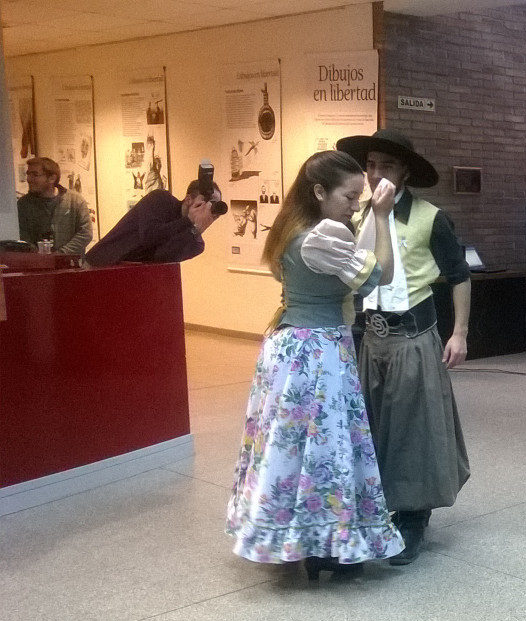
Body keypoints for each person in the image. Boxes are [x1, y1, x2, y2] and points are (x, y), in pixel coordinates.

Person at [226, 150, 404, 580]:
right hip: (316, 354)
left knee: (291, 445)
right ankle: (324, 543)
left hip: (292, 348)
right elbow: (382, 274)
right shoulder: (321, 238)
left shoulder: (293, 229)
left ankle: (302, 536)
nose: (356, 204)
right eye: (349, 195)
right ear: (319, 192)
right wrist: (381, 217)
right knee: (325, 446)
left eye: (360, 197)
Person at [337, 128, 472, 566]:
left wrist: (460, 333)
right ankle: (377, 507)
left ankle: (413, 517)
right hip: (369, 339)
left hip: (413, 336)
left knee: (414, 429)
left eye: (387, 166)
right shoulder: (359, 217)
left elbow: (459, 276)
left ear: (405, 173)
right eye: (371, 165)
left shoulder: (430, 218)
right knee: (374, 426)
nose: (376, 174)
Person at [84, 179, 222, 266]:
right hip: (100, 265)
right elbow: (150, 236)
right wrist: (188, 220)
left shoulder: (196, 244)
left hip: (128, 278)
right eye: (207, 202)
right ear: (188, 199)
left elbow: (162, 257)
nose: (209, 209)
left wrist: (196, 228)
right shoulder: (160, 199)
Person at [17, 157, 93, 255]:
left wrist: (61, 254)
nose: (29, 179)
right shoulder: (24, 204)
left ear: (52, 178)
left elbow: (85, 233)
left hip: (72, 266)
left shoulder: (75, 201)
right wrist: (39, 257)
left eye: (35, 175)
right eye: (28, 174)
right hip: (37, 267)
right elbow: (23, 236)